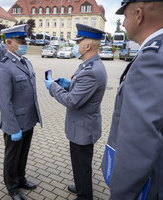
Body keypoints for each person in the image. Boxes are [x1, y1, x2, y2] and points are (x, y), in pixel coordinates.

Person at [101, 1, 163, 199]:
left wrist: (120, 194)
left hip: (145, 190)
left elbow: (138, 145)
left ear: (138, 15)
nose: (124, 23)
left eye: (125, 16)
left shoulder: (154, 60)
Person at [44, 23, 108, 200]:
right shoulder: (89, 65)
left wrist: (54, 87)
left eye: (77, 42)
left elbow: (72, 101)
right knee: (80, 163)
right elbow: (82, 91)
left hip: (83, 128)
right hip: (83, 126)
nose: (75, 45)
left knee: (82, 165)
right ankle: (81, 186)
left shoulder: (91, 70)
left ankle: (84, 195)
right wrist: (69, 84)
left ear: (87, 46)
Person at [0, 24, 42, 200]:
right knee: (12, 157)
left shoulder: (25, 61)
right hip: (15, 124)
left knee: (23, 154)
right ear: (9, 43)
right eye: (21, 41)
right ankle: (12, 188)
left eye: (24, 41)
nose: (24, 44)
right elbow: (3, 102)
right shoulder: (2, 66)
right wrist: (13, 128)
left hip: (28, 120)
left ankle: (21, 179)